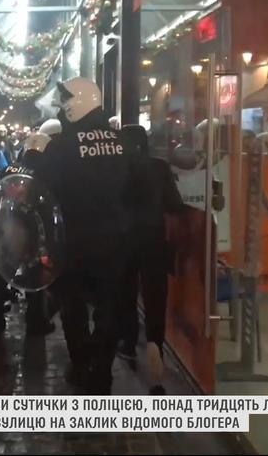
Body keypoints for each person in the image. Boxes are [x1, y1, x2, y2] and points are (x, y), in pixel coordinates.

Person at [39, 77, 135, 395]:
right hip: (115, 240)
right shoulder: (123, 142)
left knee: (73, 306)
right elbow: (138, 189)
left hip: (74, 241)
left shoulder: (61, 146)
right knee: (110, 307)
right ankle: (102, 370)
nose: (64, 105)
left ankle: (81, 365)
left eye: (67, 99)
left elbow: (41, 190)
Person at [116, 125, 185, 395]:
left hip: (125, 239)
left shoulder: (117, 169)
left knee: (126, 292)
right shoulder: (159, 167)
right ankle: (155, 344)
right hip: (154, 239)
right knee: (156, 296)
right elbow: (174, 204)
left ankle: (129, 341)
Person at [0, 132, 58, 336]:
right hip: (32, 235)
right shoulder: (45, 175)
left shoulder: (7, 170)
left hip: (4, 231)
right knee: (35, 276)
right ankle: (36, 321)